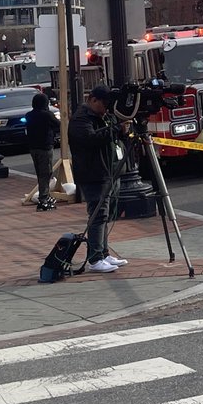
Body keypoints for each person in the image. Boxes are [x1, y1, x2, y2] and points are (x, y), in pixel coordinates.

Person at [68, 86, 129, 273]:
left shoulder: (104, 116)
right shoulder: (81, 119)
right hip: (93, 174)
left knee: (106, 214)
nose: (106, 109)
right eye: (104, 104)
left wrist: (121, 129)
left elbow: (114, 136)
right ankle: (95, 258)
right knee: (98, 214)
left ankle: (103, 253)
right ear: (93, 100)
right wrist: (115, 129)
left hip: (109, 171)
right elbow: (90, 139)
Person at [24, 92, 61, 211]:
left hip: (33, 148)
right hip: (45, 147)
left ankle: (45, 196)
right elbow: (59, 125)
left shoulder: (29, 115)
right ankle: (43, 199)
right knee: (46, 173)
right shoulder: (47, 115)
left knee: (40, 173)